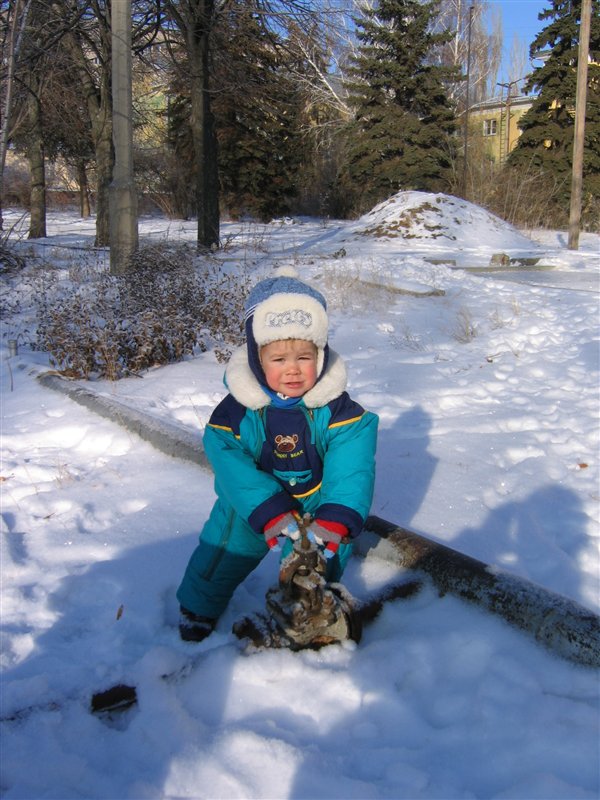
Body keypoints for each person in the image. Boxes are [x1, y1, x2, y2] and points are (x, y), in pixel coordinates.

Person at [176, 267, 379, 641]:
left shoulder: (338, 411)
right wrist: (265, 508)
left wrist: (337, 514)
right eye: (278, 359)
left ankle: (315, 614)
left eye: (304, 357)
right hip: (254, 503)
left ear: (320, 356)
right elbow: (226, 456)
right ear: (256, 358)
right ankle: (198, 606)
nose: (293, 370)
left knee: (321, 562)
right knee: (224, 550)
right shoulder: (238, 411)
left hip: (319, 505)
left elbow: (353, 464)